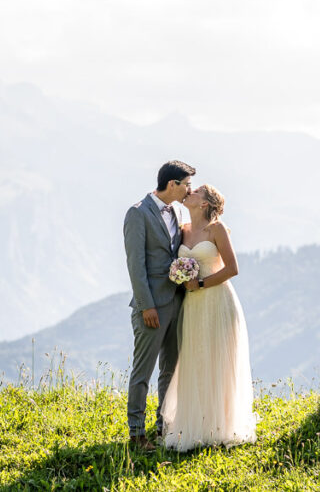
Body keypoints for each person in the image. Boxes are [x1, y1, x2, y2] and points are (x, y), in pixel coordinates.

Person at [160, 184, 257, 451]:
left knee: (217, 361)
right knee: (194, 359)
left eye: (196, 191)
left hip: (217, 301)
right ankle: (195, 425)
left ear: (204, 204)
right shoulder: (183, 230)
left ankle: (219, 427)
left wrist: (200, 284)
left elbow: (232, 269)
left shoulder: (217, 229)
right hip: (192, 306)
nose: (189, 192)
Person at [124, 160, 195, 451]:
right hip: (152, 306)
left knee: (169, 370)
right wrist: (145, 306)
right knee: (143, 371)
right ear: (172, 184)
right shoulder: (137, 213)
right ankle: (136, 433)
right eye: (186, 184)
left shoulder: (179, 211)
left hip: (178, 301)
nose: (189, 190)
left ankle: (163, 427)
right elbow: (135, 265)